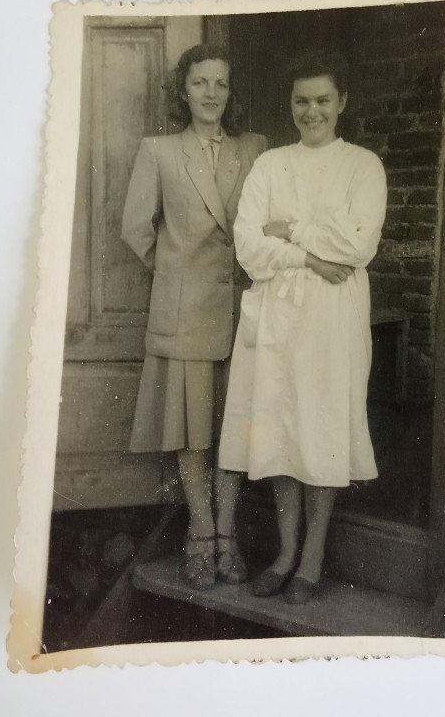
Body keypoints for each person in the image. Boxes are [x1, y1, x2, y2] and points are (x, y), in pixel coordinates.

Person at [218, 49, 387, 604]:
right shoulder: (271, 165)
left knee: (322, 426)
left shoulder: (362, 166)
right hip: (278, 311)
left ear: (342, 102)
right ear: (290, 105)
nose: (311, 112)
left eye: (322, 101)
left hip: (332, 314)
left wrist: (289, 229)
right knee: (281, 429)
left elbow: (356, 244)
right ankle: (285, 553)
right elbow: (249, 246)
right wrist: (310, 255)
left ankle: (312, 560)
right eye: (301, 101)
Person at [121, 44, 267, 590]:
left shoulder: (255, 148)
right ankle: (201, 534)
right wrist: (178, 276)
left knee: (233, 428)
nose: (211, 93)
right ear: (183, 90)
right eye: (200, 82)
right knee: (193, 431)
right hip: (186, 314)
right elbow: (136, 229)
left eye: (220, 84)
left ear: (231, 92)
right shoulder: (159, 151)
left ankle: (228, 534)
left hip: (241, 310)